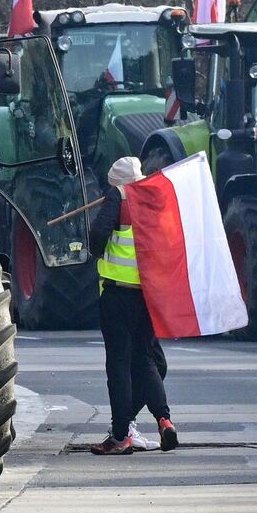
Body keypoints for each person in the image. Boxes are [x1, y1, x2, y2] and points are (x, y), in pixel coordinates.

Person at [88, 155, 179, 455]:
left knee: (119, 365)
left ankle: (120, 435)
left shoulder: (120, 196)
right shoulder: (153, 200)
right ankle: (164, 420)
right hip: (148, 296)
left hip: (118, 295)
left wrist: (96, 251)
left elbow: (98, 235)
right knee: (144, 360)